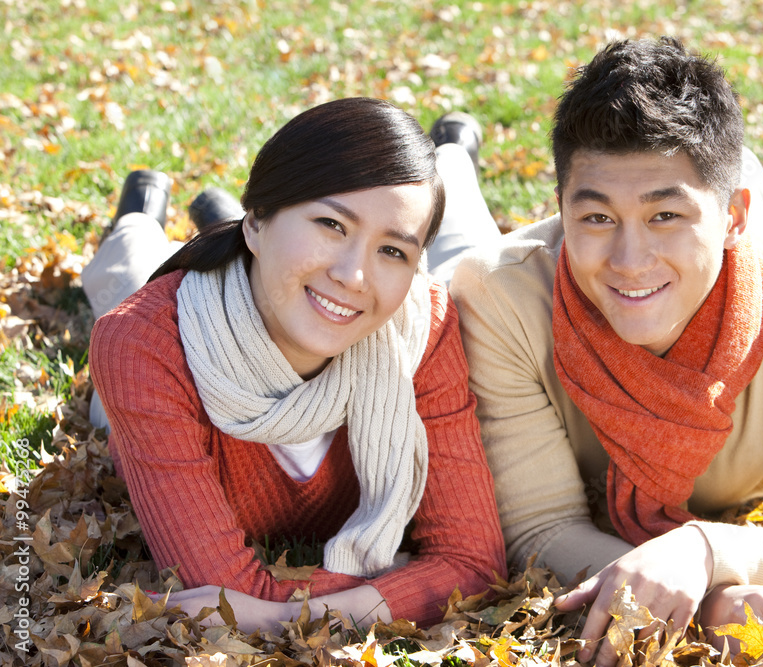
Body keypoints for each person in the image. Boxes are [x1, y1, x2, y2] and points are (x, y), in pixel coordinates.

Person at [449, 37, 763, 663]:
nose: (628, 260)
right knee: (450, 232)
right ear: (560, 210)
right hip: (485, 266)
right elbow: (539, 529)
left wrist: (706, 552)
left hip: (743, 253)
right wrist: (707, 602)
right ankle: (452, 154)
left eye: (665, 215)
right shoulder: (499, 296)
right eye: (596, 218)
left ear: (732, 218)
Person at [86, 98, 506, 631]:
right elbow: (223, 592)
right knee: (129, 272)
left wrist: (276, 613)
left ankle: (454, 154)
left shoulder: (419, 327)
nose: (355, 275)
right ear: (256, 220)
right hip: (186, 323)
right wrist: (400, 586)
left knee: (471, 257)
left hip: (278, 275)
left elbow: (472, 566)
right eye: (331, 223)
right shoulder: (146, 344)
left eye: (394, 251)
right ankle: (139, 216)